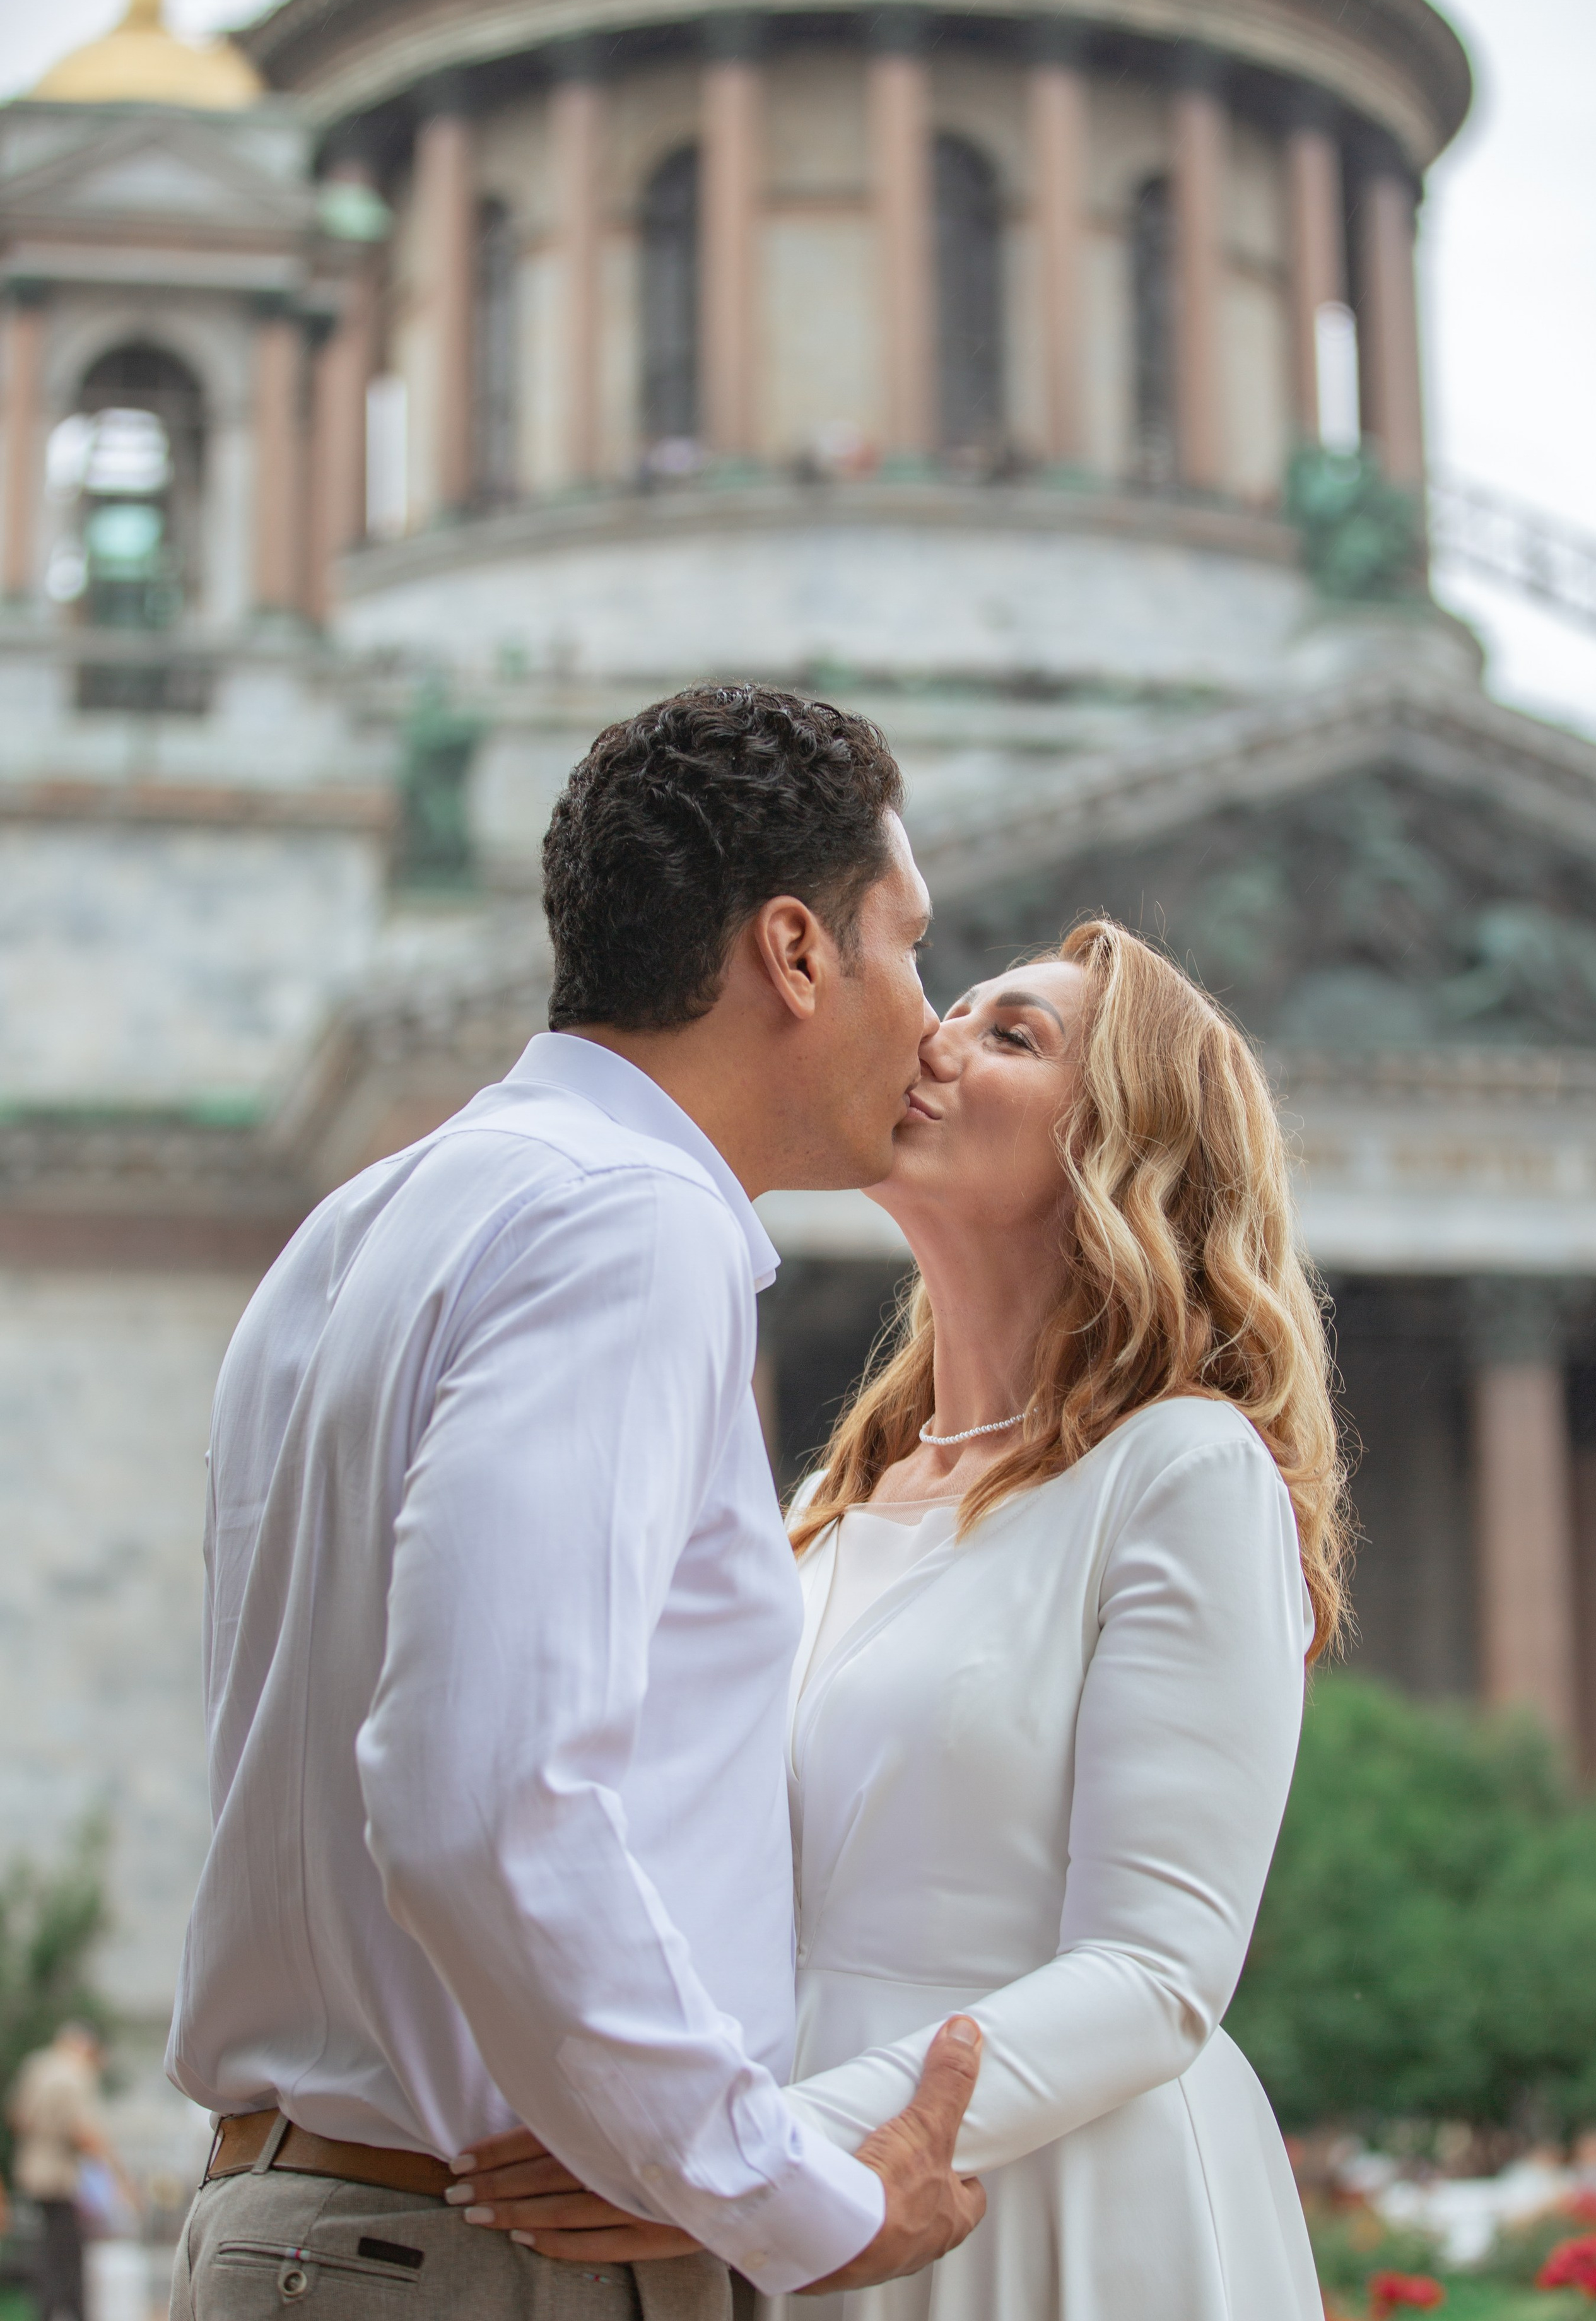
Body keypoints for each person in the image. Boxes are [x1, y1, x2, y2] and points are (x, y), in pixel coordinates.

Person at [165, 686, 985, 2321]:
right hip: (480, 2258)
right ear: (796, 956)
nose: (936, 1021)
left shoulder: (367, 1224)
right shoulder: (631, 1228)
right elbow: (482, 1789)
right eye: (907, 947)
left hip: (316, 2217)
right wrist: (778, 2186)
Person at [454, 919, 1347, 2318]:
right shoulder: (826, 1502)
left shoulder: (1185, 1469)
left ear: (1119, 1148)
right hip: (791, 2198)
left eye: (1012, 1036)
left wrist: (748, 2150)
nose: (934, 1039)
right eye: (958, 1008)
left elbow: (1154, 1971)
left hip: (1038, 2195)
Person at [8, 2023, 122, 2321]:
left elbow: (17, 2118)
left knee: (47, 2247)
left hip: (33, 2171)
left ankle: (49, 2309)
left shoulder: (36, 2067)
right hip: (61, 2176)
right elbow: (83, 2132)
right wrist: (114, 2171)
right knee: (67, 2252)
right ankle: (66, 2311)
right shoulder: (74, 2075)